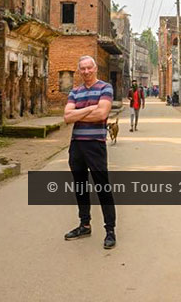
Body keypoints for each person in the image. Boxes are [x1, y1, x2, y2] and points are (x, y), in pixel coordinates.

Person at [62, 55, 117, 249]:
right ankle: (84, 224)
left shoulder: (105, 88)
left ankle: (110, 230)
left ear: (95, 69)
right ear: (79, 71)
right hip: (76, 145)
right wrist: (90, 108)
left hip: (95, 144)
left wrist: (79, 113)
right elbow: (67, 117)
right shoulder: (75, 91)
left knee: (102, 187)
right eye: (82, 69)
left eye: (89, 68)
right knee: (80, 186)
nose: (86, 72)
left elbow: (102, 114)